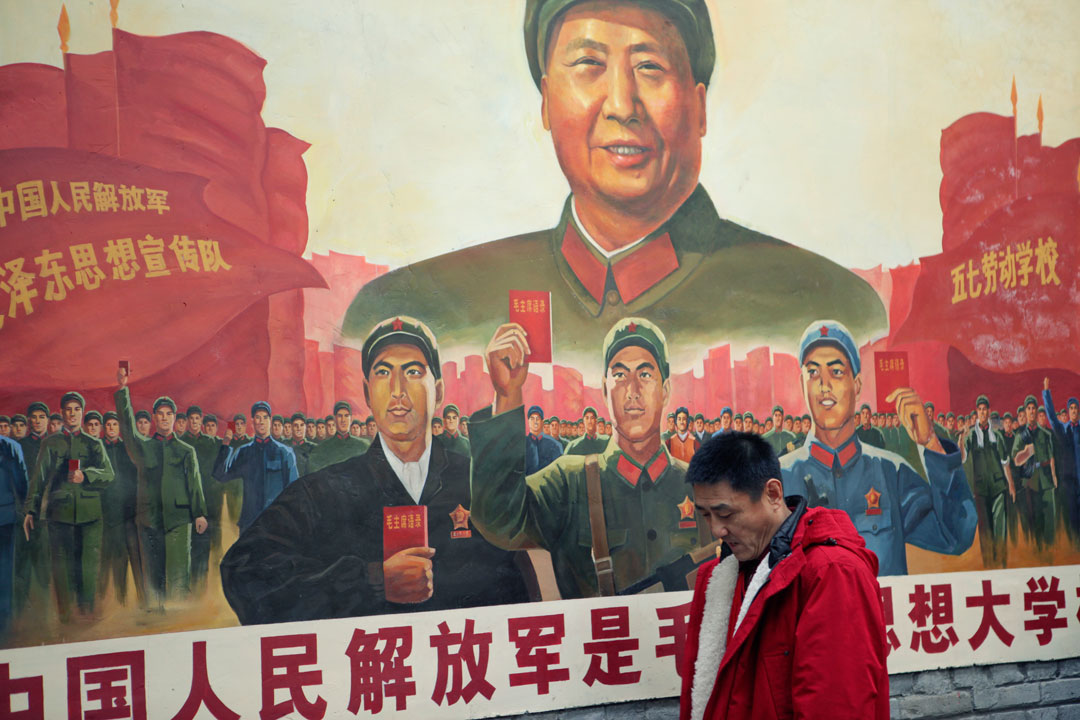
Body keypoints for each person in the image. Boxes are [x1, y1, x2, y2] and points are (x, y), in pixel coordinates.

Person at [341, 0, 887, 378]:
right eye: (589, 64)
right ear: (546, 101)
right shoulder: (413, 312)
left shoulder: (830, 309)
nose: (622, 104)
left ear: (699, 106)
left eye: (650, 66)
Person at [220, 316, 529, 623]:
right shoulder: (326, 491)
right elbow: (245, 570)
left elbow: (515, 583)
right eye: (383, 372)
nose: (397, 389)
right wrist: (369, 580)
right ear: (367, 393)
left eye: (413, 371)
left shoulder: (474, 483)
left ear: (438, 390)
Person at [470, 316, 708, 599]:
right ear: (605, 390)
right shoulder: (569, 481)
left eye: (645, 375)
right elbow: (499, 520)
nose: (632, 391)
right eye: (620, 375)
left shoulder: (700, 487)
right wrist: (507, 396)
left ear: (665, 390)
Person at [681, 431, 888, 720]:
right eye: (705, 515)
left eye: (725, 514)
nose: (717, 530)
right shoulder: (719, 577)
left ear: (773, 494)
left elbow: (836, 709)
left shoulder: (831, 573)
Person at [779, 320, 976, 575]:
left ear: (857, 385)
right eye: (813, 372)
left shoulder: (890, 473)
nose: (824, 385)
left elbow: (955, 535)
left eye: (836, 371)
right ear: (802, 384)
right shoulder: (778, 480)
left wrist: (931, 444)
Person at [115, 373, 208, 603]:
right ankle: (156, 624)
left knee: (178, 577)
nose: (165, 418)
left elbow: (194, 484)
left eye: (169, 414)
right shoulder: (143, 447)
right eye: (160, 414)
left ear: (175, 418)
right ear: (155, 417)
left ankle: (179, 622)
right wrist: (123, 391)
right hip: (149, 520)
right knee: (152, 579)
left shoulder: (186, 450)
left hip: (178, 520)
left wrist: (200, 513)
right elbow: (127, 428)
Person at [24, 391, 114, 621]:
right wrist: (30, 510)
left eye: (76, 409)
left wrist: (87, 475)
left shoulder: (94, 443)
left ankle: (87, 612)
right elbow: (38, 478)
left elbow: (109, 474)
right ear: (62, 413)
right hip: (59, 514)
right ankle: (65, 616)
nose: (72, 414)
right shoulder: (50, 442)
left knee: (88, 568)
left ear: (81, 413)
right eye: (68, 410)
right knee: (62, 570)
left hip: (90, 515)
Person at [213, 402, 298, 533]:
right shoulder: (243, 452)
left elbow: (293, 490)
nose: (261, 421)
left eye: (265, 417)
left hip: (276, 522)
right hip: (249, 524)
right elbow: (220, 475)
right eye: (258, 417)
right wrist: (225, 444)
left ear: (270, 420)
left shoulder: (284, 452)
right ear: (252, 422)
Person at [98, 410, 146, 608]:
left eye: (114, 425)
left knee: (137, 559)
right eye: (108, 425)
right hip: (109, 515)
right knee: (115, 560)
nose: (111, 428)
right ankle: (120, 601)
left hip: (132, 513)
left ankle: (144, 601)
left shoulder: (129, 449)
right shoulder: (98, 448)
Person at [963, 395, 1015, 568]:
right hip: (980, 489)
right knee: (985, 530)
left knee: (1000, 528)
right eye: (980, 409)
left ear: (989, 412)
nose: (983, 412)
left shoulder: (997, 436)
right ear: (977, 413)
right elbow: (963, 457)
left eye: (985, 409)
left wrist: (1011, 485)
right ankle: (989, 567)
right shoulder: (970, 435)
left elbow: (1005, 462)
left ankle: (1002, 564)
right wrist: (961, 440)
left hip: (999, 486)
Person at [13, 402, 51, 620]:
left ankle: (44, 613)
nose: (37, 420)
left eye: (41, 416)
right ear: (29, 421)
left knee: (44, 566)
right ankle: (20, 613)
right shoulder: (19, 446)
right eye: (33, 417)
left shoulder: (56, 444)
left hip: (47, 515)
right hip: (23, 514)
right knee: (22, 566)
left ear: (47, 419)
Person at [181, 405, 223, 596]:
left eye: (198, 419)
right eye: (192, 419)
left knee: (204, 547)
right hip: (186, 503)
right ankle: (186, 589)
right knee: (186, 548)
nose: (195, 422)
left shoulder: (213, 443)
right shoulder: (181, 443)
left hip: (209, 502)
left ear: (201, 421)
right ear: (188, 421)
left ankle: (201, 590)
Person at [1012, 394, 1057, 550]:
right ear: (1025, 411)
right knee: (1035, 522)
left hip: (1046, 481)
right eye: (1028, 408)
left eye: (1033, 408)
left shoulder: (1045, 435)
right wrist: (1026, 453)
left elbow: (1052, 458)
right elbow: (1016, 460)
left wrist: (1054, 476)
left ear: (1037, 411)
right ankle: (1039, 554)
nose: (1031, 411)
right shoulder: (1020, 435)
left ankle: (1050, 552)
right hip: (1030, 482)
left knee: (1050, 520)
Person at [1043, 377, 1079, 545]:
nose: (1073, 411)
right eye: (1070, 408)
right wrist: (1046, 392)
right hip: (1068, 482)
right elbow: (1051, 416)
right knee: (1072, 518)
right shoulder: (1062, 430)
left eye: (1075, 408)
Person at [0, 433, 27, 634]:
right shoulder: (11, 446)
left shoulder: (10, 447)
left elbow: (22, 484)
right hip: (6, 516)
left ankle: (5, 622)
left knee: (4, 572)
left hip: (5, 518)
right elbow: (22, 484)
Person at [307, 401, 370, 473]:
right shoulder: (322, 448)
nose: (343, 420)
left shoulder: (364, 446)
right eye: (340, 416)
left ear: (351, 419)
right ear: (334, 419)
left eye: (346, 416)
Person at [525, 405, 563, 474]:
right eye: (532, 419)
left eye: (538, 418)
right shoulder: (522, 444)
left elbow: (559, 471)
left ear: (542, 422)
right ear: (528, 421)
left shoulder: (554, 445)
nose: (535, 422)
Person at [288, 412, 315, 477]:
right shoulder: (285, 447)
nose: (299, 428)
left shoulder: (313, 448)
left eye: (302, 425)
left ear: (306, 427)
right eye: (295, 425)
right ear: (291, 427)